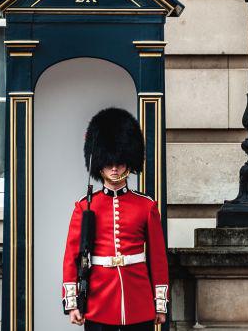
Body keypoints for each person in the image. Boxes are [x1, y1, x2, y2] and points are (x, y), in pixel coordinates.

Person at [61, 107, 169, 331]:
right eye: (109, 162)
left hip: (137, 300)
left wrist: (160, 304)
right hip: (98, 300)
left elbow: (158, 259)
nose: (113, 167)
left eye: (119, 162)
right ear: (99, 163)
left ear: (129, 163)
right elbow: (72, 256)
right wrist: (73, 304)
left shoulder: (146, 206)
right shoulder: (85, 207)